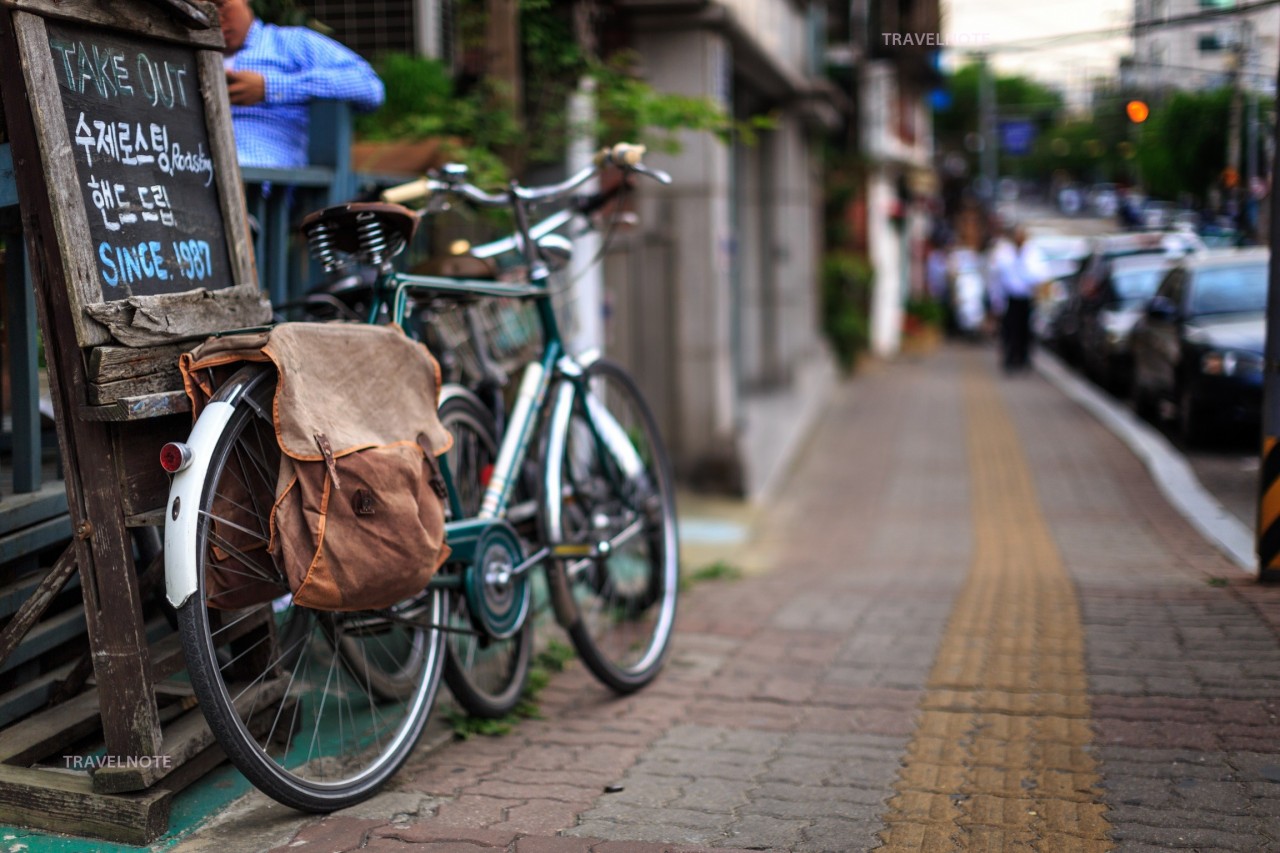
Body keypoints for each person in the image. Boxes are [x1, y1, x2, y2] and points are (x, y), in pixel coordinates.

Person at [213, 0, 384, 169]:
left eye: (220, 5)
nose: (213, 18)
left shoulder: (291, 43)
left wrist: (270, 87)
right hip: (198, 162)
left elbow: (369, 86)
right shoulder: (188, 56)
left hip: (263, 175)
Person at [986, 221, 1047, 372]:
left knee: (1025, 331)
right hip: (1010, 299)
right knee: (1009, 330)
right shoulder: (1004, 252)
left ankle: (1023, 358)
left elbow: (1039, 274)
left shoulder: (1032, 252)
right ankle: (1010, 358)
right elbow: (997, 275)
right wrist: (996, 301)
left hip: (1026, 298)